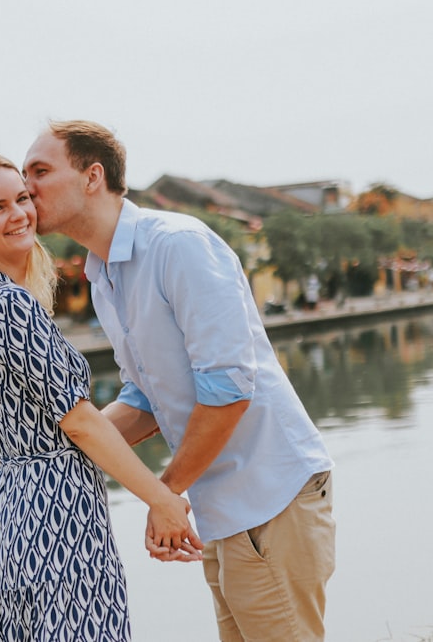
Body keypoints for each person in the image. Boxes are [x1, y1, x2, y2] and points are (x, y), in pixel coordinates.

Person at [23, 120, 336, 642]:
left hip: (270, 497)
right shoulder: (103, 276)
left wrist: (165, 494)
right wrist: (55, 444)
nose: (27, 187)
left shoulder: (177, 246)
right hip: (226, 510)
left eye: (40, 171)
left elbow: (228, 389)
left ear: (91, 176)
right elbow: (146, 397)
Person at [0, 152, 201, 641]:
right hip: (57, 518)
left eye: (22, 199)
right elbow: (80, 424)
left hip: (15, 513)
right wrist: (162, 499)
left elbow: (64, 430)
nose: (20, 214)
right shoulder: (7, 306)